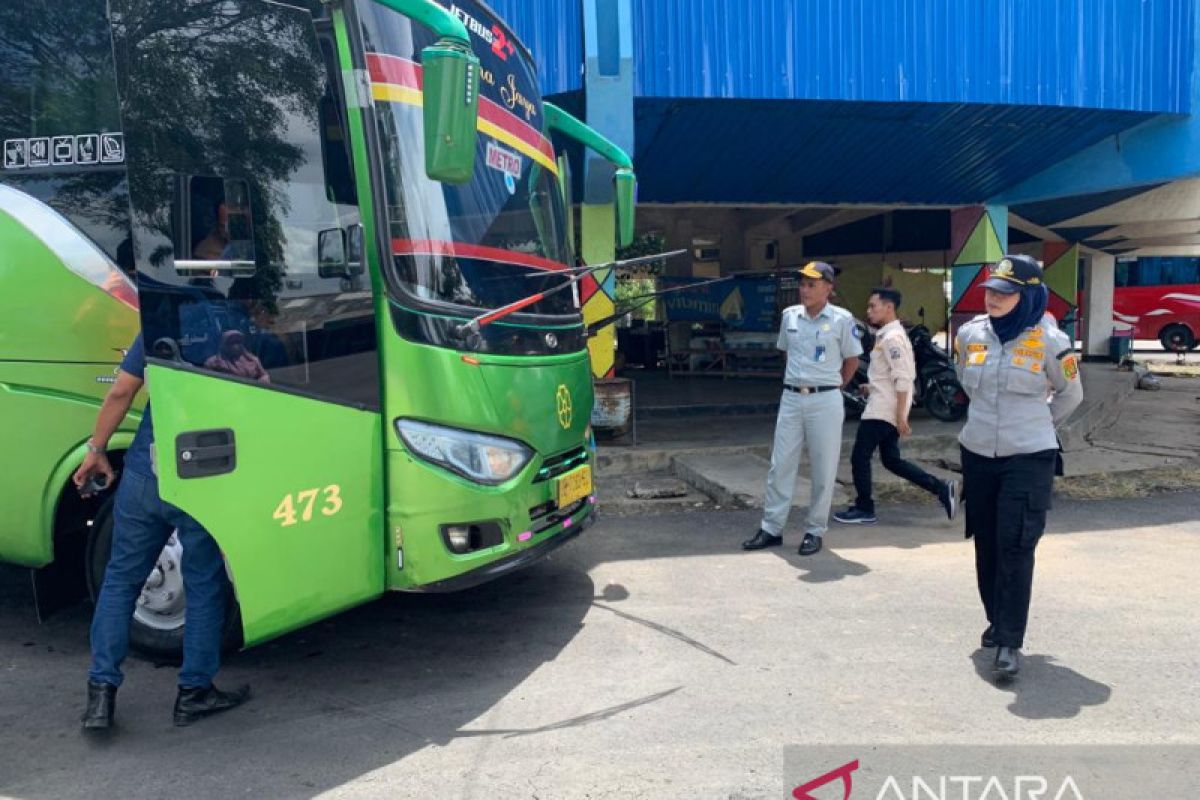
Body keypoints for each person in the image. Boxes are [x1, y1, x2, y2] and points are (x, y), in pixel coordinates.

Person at [75, 334, 251, 730]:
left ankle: (100, 697)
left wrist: (96, 449)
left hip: (145, 472)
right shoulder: (233, 325)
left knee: (120, 581)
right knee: (204, 584)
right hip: (202, 475)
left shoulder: (161, 320)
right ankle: (194, 692)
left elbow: (122, 391)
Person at [955, 254, 1083, 681]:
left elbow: (1071, 394)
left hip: (1029, 456)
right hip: (977, 453)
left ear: (1027, 295)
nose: (993, 298)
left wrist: (1037, 426)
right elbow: (963, 379)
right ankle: (996, 620)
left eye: (1005, 293)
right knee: (987, 543)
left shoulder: (1051, 340)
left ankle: (1010, 639)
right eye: (991, 290)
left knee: (1016, 543)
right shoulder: (970, 335)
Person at [743, 261, 863, 556]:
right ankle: (771, 528)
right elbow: (787, 353)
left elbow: (852, 361)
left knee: (824, 467)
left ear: (828, 287)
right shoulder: (790, 317)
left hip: (825, 399)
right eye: (803, 284)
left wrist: (834, 387)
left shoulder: (842, 319)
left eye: (811, 284)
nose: (804, 289)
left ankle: (814, 530)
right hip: (792, 397)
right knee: (780, 464)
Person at [834, 287, 958, 525]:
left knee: (860, 457)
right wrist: (871, 387)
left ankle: (864, 507)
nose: (869, 311)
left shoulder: (893, 338)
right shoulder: (886, 335)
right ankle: (942, 489)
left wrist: (901, 417)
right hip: (882, 403)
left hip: (883, 411)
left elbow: (903, 378)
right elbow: (888, 377)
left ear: (888, 307)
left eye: (873, 306)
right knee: (891, 461)